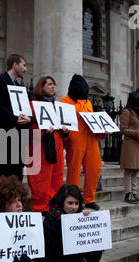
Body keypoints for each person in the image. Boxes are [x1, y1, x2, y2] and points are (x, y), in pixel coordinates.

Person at [41, 184, 103, 262]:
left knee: (97, 252)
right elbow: (56, 249)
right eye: (70, 203)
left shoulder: (79, 214)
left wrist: (86, 219)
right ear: (62, 202)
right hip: (57, 259)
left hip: (74, 256)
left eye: (76, 203)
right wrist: (79, 257)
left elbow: (90, 240)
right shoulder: (51, 219)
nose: (74, 207)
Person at [60, 74, 105, 210]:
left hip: (91, 140)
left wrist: (103, 130)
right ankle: (73, 199)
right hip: (75, 141)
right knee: (74, 171)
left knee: (94, 168)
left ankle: (89, 198)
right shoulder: (64, 102)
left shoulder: (88, 103)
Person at [27, 76, 69, 213]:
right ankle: (40, 207)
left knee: (56, 176)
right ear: (41, 87)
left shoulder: (57, 106)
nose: (53, 87)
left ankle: (52, 204)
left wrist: (65, 131)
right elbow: (28, 126)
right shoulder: (33, 104)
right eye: (50, 84)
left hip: (56, 143)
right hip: (40, 145)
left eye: (54, 85)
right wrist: (43, 130)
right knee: (40, 178)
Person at [0, 54, 32, 182]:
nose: (25, 69)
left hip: (19, 136)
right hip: (4, 133)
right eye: (23, 65)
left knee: (17, 171)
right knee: (3, 171)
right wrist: (14, 119)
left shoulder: (20, 87)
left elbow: (25, 108)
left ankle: (15, 200)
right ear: (15, 65)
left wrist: (28, 119)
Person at [119, 89, 139, 204]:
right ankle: (128, 193)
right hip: (130, 143)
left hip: (138, 143)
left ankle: (134, 192)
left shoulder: (138, 113)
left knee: (136, 170)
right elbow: (123, 129)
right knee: (129, 170)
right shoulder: (127, 112)